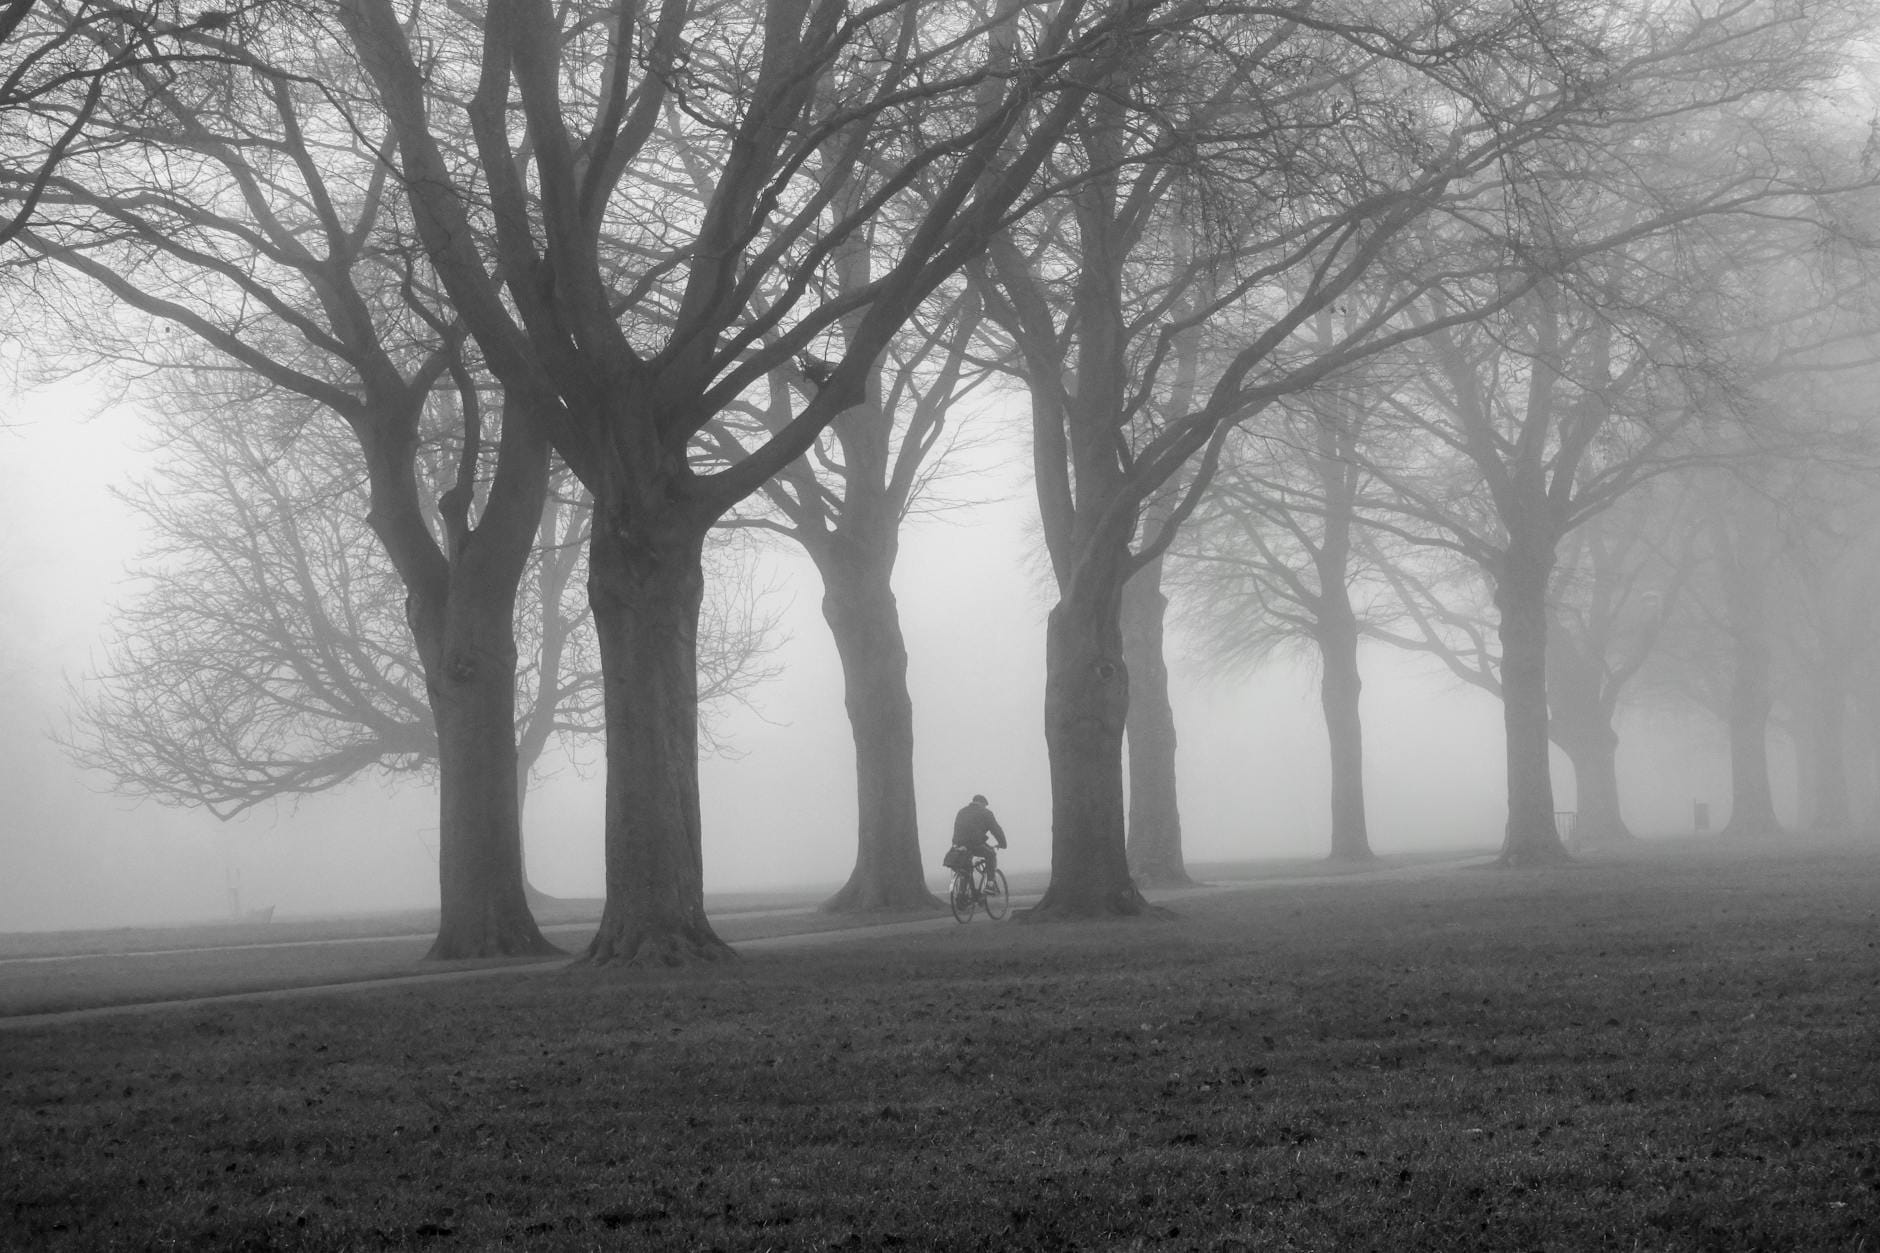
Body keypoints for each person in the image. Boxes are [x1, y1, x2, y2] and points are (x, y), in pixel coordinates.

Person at [951, 794, 1007, 881]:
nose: (985, 807)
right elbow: (996, 830)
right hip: (974, 845)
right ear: (982, 803)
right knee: (991, 854)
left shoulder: (961, 811)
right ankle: (990, 884)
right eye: (985, 805)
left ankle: (965, 889)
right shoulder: (986, 813)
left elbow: (956, 828)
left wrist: (955, 844)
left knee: (966, 867)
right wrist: (1002, 843)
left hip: (958, 845)